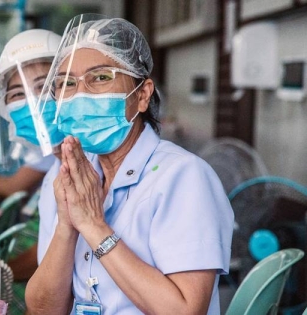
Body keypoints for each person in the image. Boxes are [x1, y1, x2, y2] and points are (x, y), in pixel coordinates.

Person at [25, 15, 234, 315]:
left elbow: (184, 311)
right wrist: (67, 227)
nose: (80, 94)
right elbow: (43, 311)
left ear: (143, 95)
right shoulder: (77, 178)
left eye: (101, 78)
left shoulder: (183, 177)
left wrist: (95, 226)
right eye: (67, 83)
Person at [0, 28, 64, 315]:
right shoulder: (56, 169)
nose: (33, 103)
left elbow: (46, 260)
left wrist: (1, 273)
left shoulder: (94, 167)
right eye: (18, 93)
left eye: (44, 88)